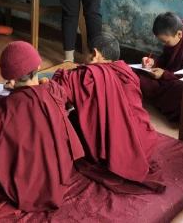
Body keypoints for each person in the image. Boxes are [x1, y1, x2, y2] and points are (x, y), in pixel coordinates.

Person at [0, 41, 84, 219]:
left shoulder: (7, 107)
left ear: (11, 80)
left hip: (27, 187)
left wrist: (1, 99)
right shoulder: (53, 91)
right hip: (58, 177)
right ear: (38, 66)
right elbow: (59, 93)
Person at [51, 33, 164, 194]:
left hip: (114, 155)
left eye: (85, 52)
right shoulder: (127, 72)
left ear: (95, 54)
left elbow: (56, 93)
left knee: (71, 120)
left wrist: (62, 73)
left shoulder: (85, 75)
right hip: (145, 144)